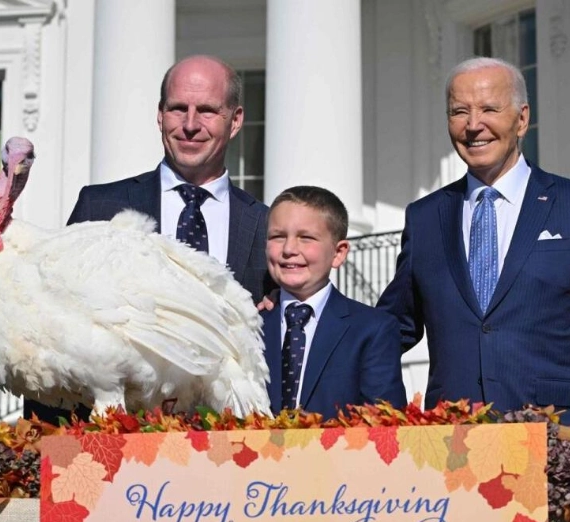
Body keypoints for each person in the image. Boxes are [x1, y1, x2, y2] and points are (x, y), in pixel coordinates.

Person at [25, 54, 272, 423]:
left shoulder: (266, 225)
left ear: (235, 121)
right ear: (160, 115)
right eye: (177, 109)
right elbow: (49, 329)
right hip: (111, 447)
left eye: (206, 110)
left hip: (229, 451)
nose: (190, 124)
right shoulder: (100, 206)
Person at [377, 56, 570, 425]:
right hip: (452, 442)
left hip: (560, 439)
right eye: (459, 111)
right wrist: (300, 306)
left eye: (489, 109)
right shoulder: (425, 218)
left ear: (522, 119)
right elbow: (388, 329)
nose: (473, 125)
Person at [261, 185, 407, 419]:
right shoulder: (247, 325)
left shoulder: (372, 329)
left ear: (338, 253)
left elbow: (384, 425)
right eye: (278, 236)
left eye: (306, 238)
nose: (289, 249)